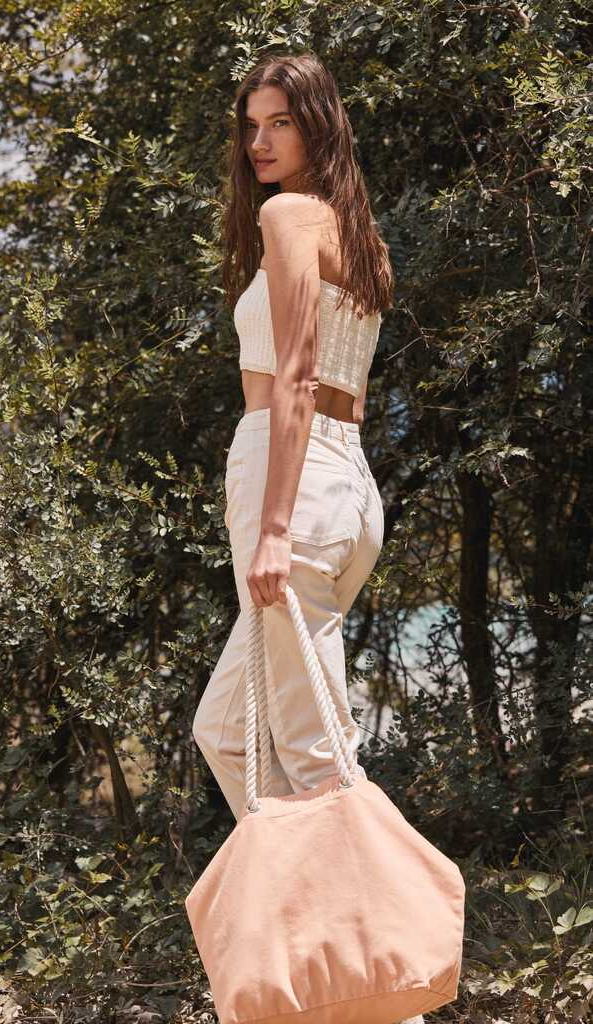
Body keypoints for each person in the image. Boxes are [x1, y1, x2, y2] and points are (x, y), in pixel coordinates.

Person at [192, 51, 422, 1024]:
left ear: (316, 126)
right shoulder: (357, 238)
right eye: (250, 125)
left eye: (278, 122)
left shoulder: (290, 217)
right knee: (228, 730)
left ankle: (387, 993)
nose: (258, 142)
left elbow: (290, 376)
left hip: (291, 480)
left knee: (314, 752)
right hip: (346, 484)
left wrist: (273, 527)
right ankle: (324, 972)